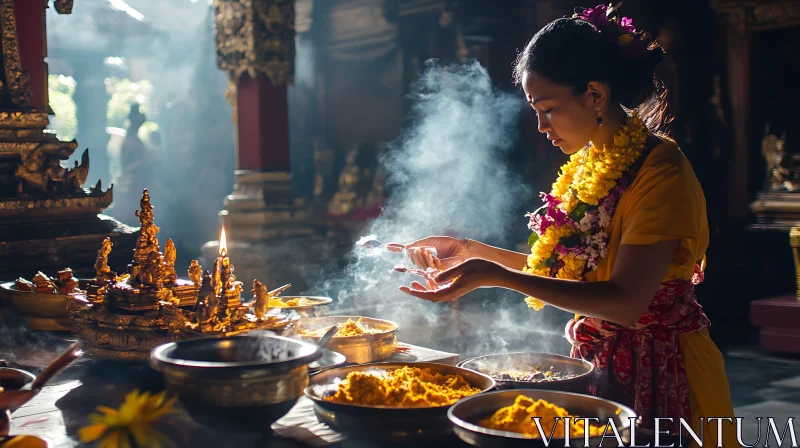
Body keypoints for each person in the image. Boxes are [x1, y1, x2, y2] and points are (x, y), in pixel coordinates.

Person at [391, 6, 735, 445]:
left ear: (594, 94)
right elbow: (573, 273)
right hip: (604, 362)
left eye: (549, 108)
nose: (541, 126)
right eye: (536, 109)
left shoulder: (660, 172)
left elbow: (626, 301)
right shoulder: (591, 162)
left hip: (664, 367)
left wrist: (498, 278)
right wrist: (475, 251)